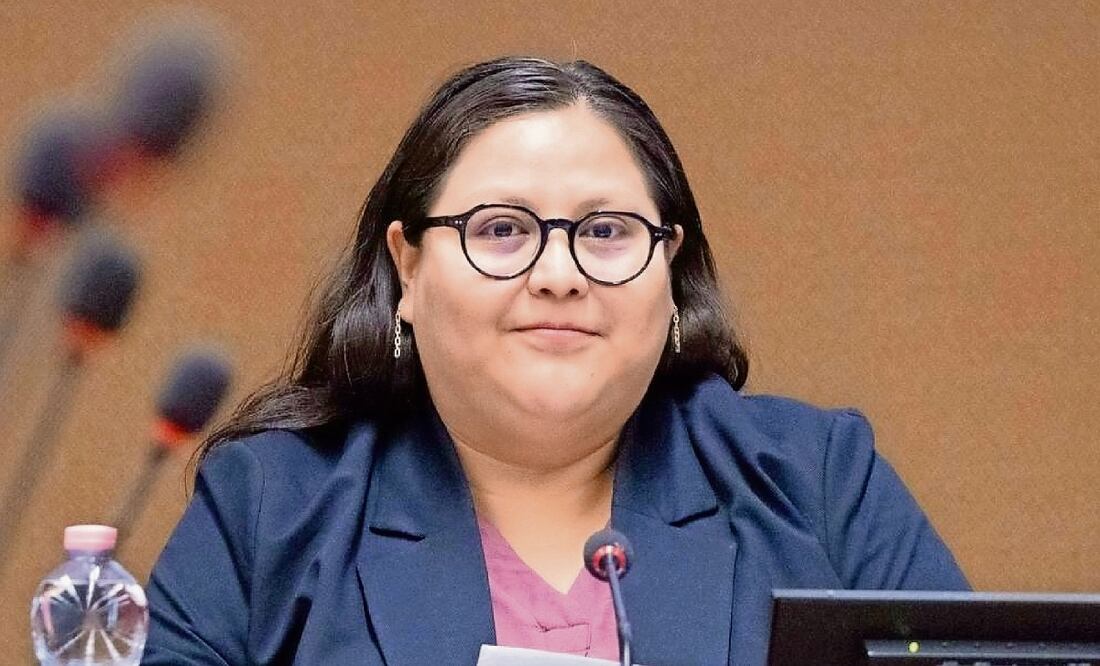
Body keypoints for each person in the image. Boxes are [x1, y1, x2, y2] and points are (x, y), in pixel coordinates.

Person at [142, 56, 968, 665]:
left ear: (671, 271)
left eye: (606, 232)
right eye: (502, 230)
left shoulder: (818, 482)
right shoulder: (270, 507)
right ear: (407, 268)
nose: (560, 276)